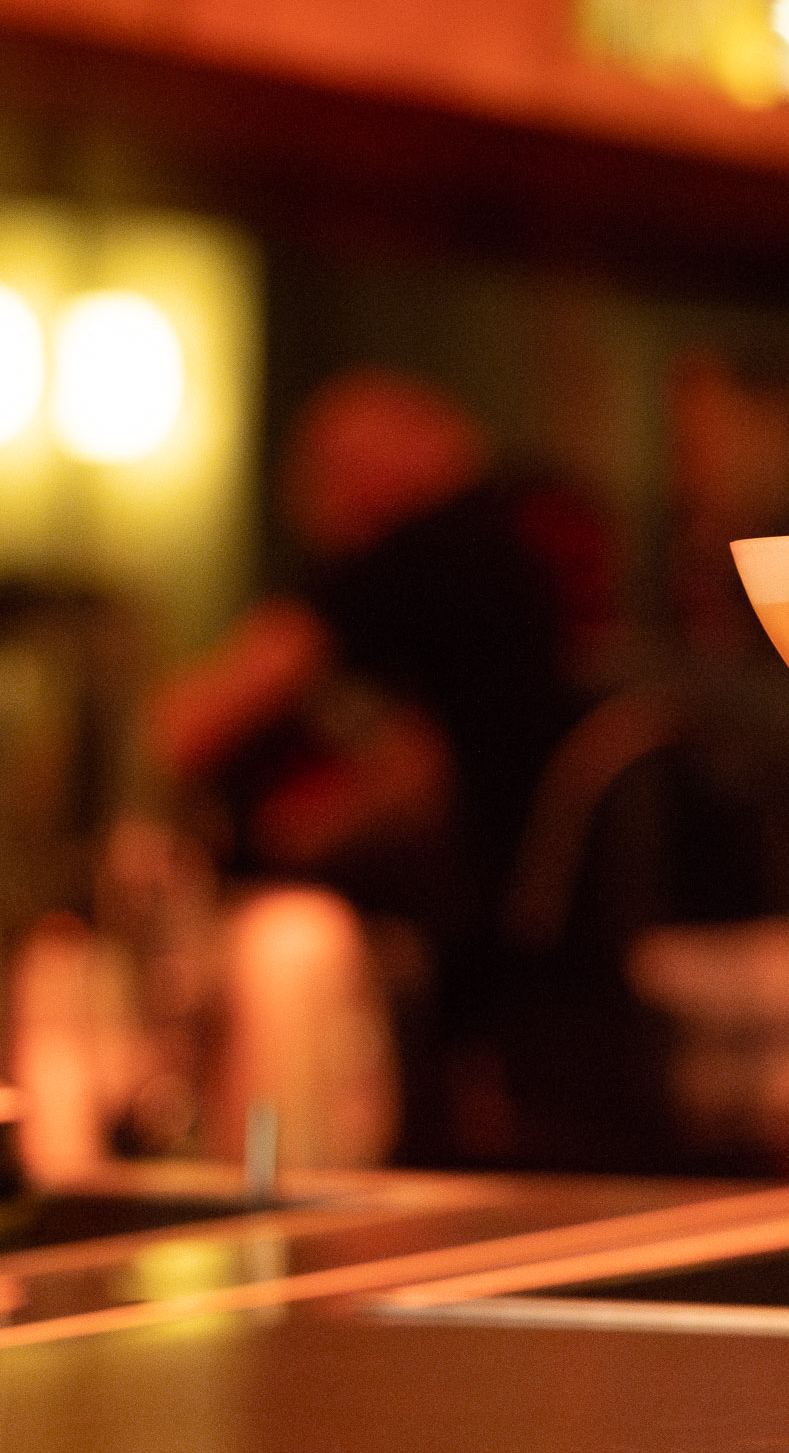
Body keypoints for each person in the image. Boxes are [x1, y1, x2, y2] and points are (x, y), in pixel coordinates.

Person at [146, 373, 594, 1154]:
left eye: (327, 472)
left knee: (276, 936)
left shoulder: (425, 545)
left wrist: (291, 832)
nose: (315, 506)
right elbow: (426, 755)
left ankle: (261, 1158)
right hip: (533, 917)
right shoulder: (509, 542)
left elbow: (200, 720)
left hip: (466, 926)